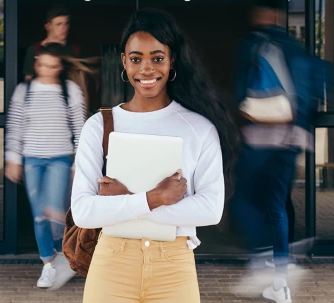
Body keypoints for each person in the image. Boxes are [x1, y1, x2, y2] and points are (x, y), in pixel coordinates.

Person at [70, 8, 239, 303]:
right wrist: (154, 198)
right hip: (112, 263)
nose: (146, 69)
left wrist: (126, 202)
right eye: (136, 59)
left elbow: (211, 209)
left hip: (173, 266)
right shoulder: (98, 126)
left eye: (157, 58)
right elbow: (84, 210)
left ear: (172, 60)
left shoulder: (198, 127)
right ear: (124, 61)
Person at [231, 0, 330, 302]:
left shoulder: (253, 44)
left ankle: (263, 259)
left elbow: (240, 91)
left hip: (262, 137)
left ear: (261, 13)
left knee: (242, 199)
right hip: (293, 139)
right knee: (276, 204)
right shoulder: (296, 47)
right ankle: (281, 281)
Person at [5, 43, 89, 289]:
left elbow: (80, 128)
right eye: (43, 65)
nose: (47, 70)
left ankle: (65, 254)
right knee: (39, 214)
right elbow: (15, 125)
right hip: (32, 159)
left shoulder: (69, 90)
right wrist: (13, 158)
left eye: (53, 66)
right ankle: (48, 265)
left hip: (59, 159)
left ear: (60, 66)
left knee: (53, 209)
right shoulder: (25, 90)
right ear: (36, 64)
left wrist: (78, 163)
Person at [22, 8, 79, 81]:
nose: (64, 28)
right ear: (48, 26)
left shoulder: (75, 50)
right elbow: (28, 80)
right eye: (59, 24)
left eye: (66, 23)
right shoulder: (35, 49)